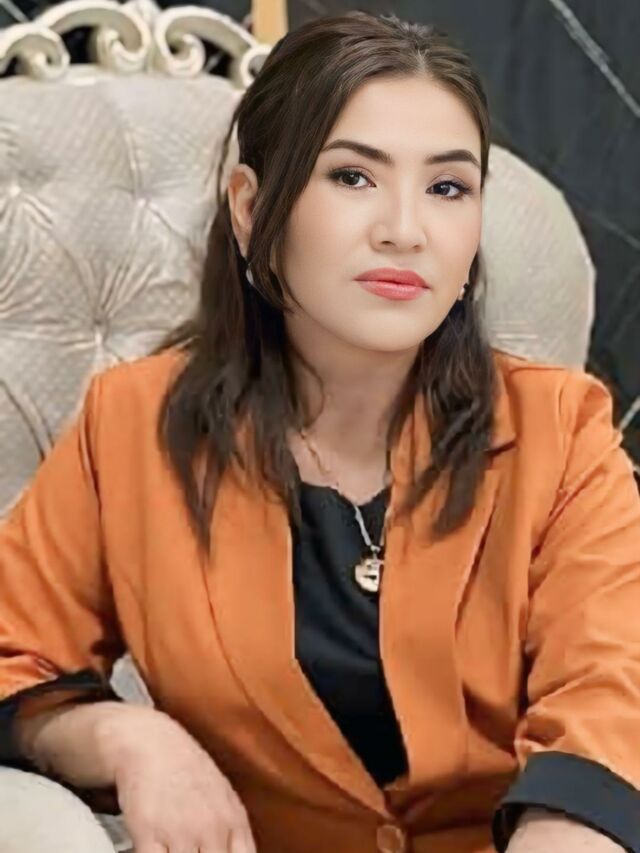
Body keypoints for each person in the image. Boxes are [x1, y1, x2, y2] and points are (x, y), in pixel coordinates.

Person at [1, 10, 639, 853]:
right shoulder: (132, 426)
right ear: (250, 206)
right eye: (352, 176)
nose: (405, 229)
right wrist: (129, 737)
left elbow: (607, 698)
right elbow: (14, 653)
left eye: (448, 188)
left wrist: (567, 831)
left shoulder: (562, 430)